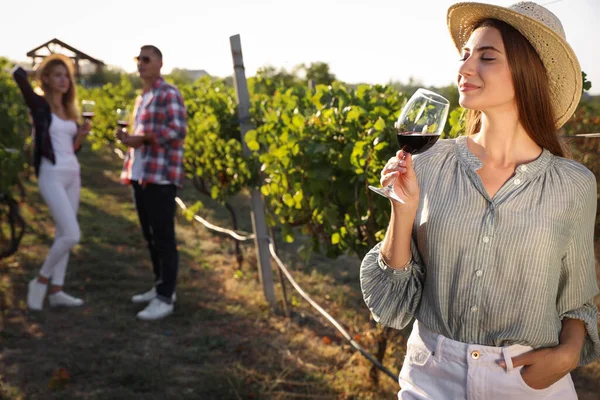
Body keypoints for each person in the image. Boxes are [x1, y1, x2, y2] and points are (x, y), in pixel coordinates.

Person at [360, 2, 600, 399]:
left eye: (486, 57)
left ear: (528, 74)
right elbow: (393, 306)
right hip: (430, 378)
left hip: (527, 380)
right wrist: (401, 212)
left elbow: (576, 301)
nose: (465, 68)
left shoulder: (572, 183)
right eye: (465, 55)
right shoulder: (430, 163)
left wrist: (567, 355)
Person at [13, 54, 90, 310]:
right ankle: (41, 280)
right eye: (57, 74)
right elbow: (17, 74)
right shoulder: (40, 105)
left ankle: (57, 291)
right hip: (51, 174)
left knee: (62, 234)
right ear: (45, 78)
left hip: (73, 174)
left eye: (66, 75)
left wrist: (80, 136)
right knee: (72, 234)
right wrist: (39, 69)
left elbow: (71, 148)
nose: (64, 80)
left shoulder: (69, 110)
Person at [116, 45, 187, 321]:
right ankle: (161, 287)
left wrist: (142, 138)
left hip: (160, 177)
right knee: (150, 237)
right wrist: (129, 139)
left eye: (146, 59)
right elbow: (143, 135)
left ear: (160, 63)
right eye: (138, 59)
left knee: (164, 238)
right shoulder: (142, 97)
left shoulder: (168, 93)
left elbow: (177, 130)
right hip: (140, 175)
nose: (141, 64)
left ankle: (165, 298)